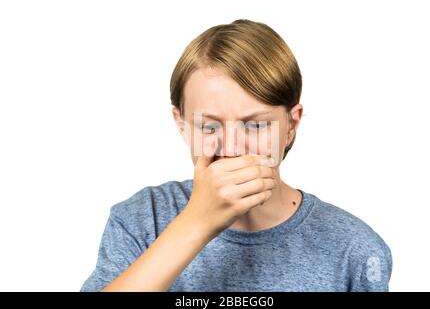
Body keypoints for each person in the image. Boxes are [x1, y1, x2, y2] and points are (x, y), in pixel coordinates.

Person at [80, 19, 392, 292]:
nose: (231, 149)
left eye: (255, 125)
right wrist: (197, 221)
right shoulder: (141, 220)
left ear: (291, 125)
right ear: (182, 125)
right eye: (209, 126)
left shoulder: (354, 248)